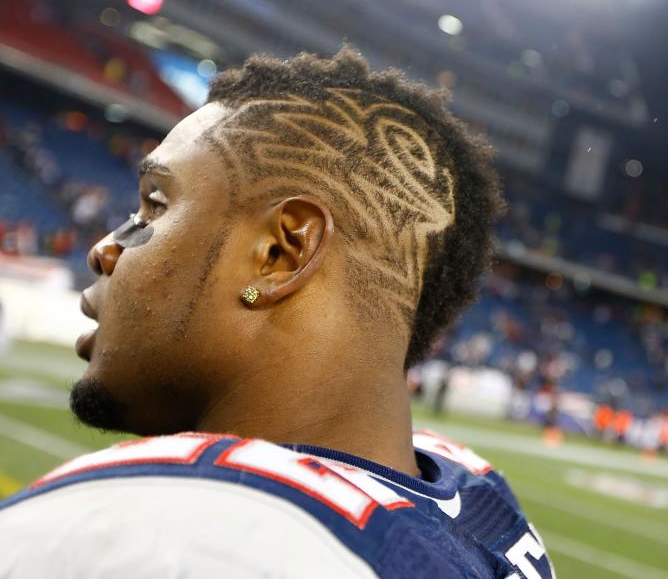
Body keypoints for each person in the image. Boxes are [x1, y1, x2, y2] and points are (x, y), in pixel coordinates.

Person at [0, 49, 554, 579]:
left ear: (280, 253)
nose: (104, 249)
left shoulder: (189, 536)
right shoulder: (477, 499)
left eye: (155, 205)